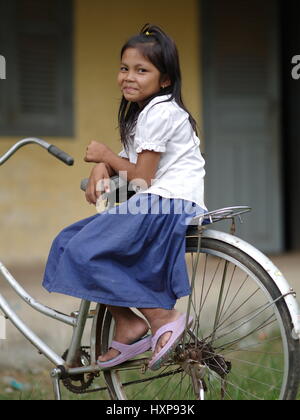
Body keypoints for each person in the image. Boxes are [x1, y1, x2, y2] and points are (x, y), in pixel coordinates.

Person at [43, 24, 206, 371]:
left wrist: (104, 155)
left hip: (166, 202)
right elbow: (131, 164)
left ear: (164, 80)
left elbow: (143, 178)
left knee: (83, 249)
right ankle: (128, 323)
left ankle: (161, 317)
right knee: (67, 242)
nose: (129, 77)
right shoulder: (147, 112)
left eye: (141, 70)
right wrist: (104, 165)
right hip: (154, 201)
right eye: (124, 68)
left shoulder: (161, 111)